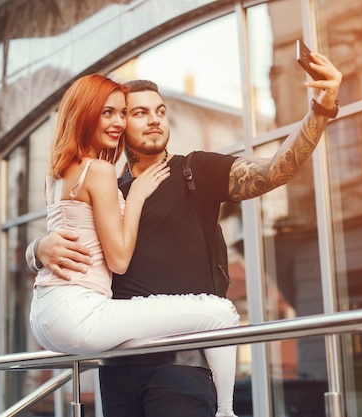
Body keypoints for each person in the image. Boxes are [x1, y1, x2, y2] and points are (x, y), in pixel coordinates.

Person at [27, 51, 342, 417]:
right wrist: (37, 249)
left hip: (180, 370)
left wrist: (321, 109)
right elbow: (70, 232)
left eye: (160, 111)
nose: (154, 121)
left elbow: (275, 171)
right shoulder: (109, 187)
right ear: (115, 123)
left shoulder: (196, 170)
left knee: (218, 315)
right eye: (137, 113)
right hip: (116, 368)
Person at [28, 73, 241, 417]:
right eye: (107, 113)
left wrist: (35, 249)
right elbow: (120, 260)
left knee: (155, 337)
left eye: (121, 114)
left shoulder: (55, 173)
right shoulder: (98, 171)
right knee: (220, 313)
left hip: (44, 313)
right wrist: (138, 195)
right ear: (85, 113)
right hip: (81, 314)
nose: (117, 122)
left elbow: (69, 232)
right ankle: (227, 412)